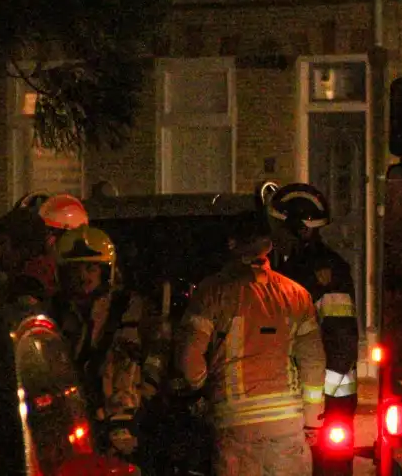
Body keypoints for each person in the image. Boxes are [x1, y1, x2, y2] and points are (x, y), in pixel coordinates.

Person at [176, 214, 327, 476]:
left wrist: (199, 388)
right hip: (287, 429)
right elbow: (313, 362)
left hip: (235, 430)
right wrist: (313, 419)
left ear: (231, 244)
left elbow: (190, 361)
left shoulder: (212, 292)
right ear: (268, 247)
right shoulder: (297, 294)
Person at [49, 225, 160, 467]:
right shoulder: (54, 313)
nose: (83, 276)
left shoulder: (132, 308)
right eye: (76, 268)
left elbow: (158, 352)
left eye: (91, 267)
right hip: (70, 421)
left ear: (105, 271)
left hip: (122, 423)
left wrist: (146, 394)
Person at [269, 183, 359, 476]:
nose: (274, 235)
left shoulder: (319, 272)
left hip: (326, 402)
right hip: (315, 400)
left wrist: (321, 402)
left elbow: (341, 339)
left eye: (280, 227)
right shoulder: (293, 268)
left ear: (300, 228)